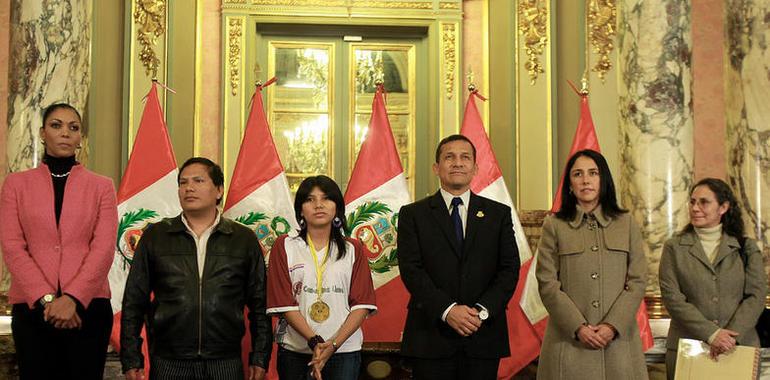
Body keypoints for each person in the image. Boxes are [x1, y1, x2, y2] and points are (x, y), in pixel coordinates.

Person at [120, 157, 271, 380]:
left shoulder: (242, 239)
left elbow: (260, 305)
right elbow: (134, 302)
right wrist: (131, 358)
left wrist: (260, 357)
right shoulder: (156, 236)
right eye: (182, 183)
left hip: (225, 361)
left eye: (198, 181)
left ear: (219, 190)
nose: (188, 188)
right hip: (169, 360)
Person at [0, 103, 118, 379]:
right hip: (33, 309)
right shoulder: (16, 184)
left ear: (80, 138)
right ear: (42, 133)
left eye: (73, 127)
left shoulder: (102, 186)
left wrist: (73, 298)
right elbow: (12, 245)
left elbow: (103, 249)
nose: (65, 132)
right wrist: (49, 300)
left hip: (88, 308)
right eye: (56, 125)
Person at [397, 134, 520, 380]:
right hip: (430, 336)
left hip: (482, 334)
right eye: (449, 157)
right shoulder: (413, 214)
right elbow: (411, 269)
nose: (457, 163)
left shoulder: (499, 214)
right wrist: (448, 310)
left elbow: (509, 269)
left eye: (465, 157)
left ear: (475, 168)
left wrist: (481, 312)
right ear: (436, 167)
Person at [536, 149, 648, 380]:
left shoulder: (626, 223)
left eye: (593, 173)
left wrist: (611, 326)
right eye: (578, 174)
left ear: (603, 180)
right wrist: (578, 327)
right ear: (569, 184)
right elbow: (547, 283)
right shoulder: (554, 225)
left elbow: (637, 281)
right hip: (568, 344)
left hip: (619, 346)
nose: (585, 180)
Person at [267, 175, 377, 380]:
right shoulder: (285, 246)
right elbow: (284, 302)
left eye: (326, 198)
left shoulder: (354, 248)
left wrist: (333, 345)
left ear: (337, 206)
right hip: (296, 352)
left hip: (344, 351)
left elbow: (362, 304)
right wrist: (314, 341)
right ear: (300, 209)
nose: (318, 205)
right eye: (310, 199)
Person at [659, 178, 767, 379]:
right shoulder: (674, 248)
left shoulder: (747, 247)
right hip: (688, 349)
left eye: (704, 202)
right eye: (692, 202)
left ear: (723, 207)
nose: (695, 208)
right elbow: (672, 298)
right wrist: (712, 333)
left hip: (738, 348)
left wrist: (729, 337)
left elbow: (757, 295)